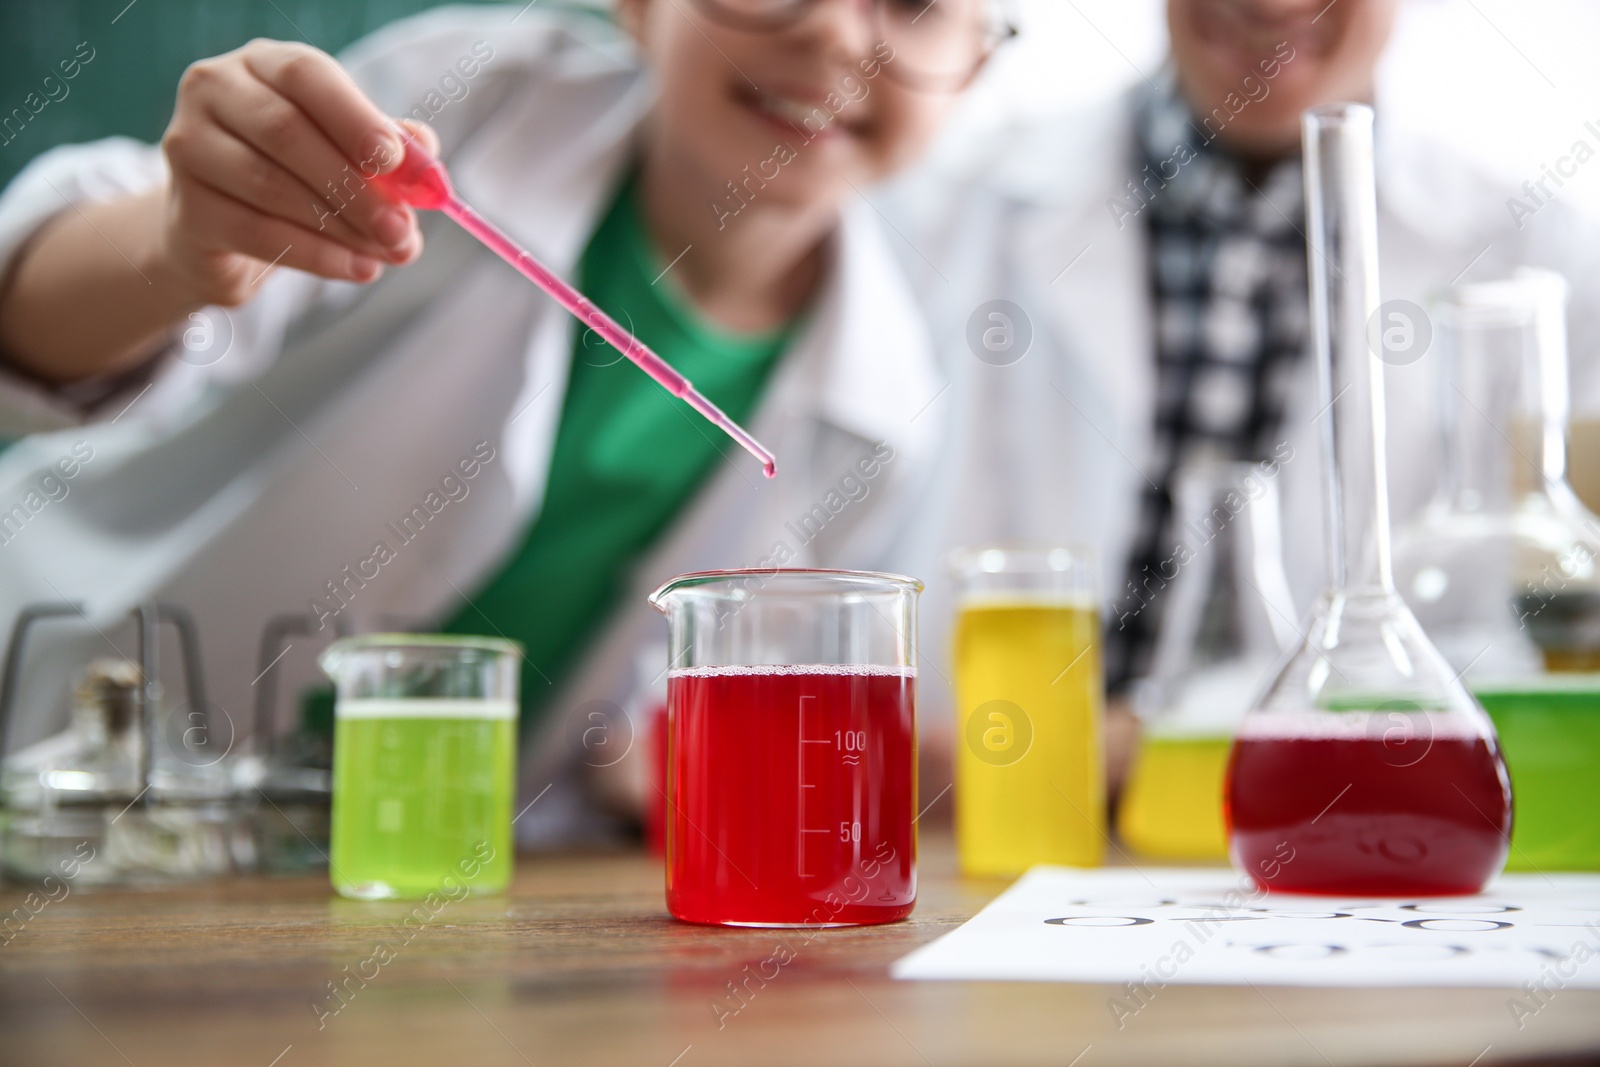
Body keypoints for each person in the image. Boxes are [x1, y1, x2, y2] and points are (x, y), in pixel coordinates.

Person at [0, 0, 1007, 838]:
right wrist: (177, 243)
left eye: (914, 2)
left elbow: (629, 733)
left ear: (976, 61)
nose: (834, 34)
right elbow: (31, 331)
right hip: (59, 772)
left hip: (394, 876)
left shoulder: (880, 416)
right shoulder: (466, 101)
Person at [883, 0, 1600, 789]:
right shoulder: (932, 204)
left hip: (1348, 821)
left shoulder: (1538, 253)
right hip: (987, 823)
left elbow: (1556, 648)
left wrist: (1166, 747)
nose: (1273, 6)